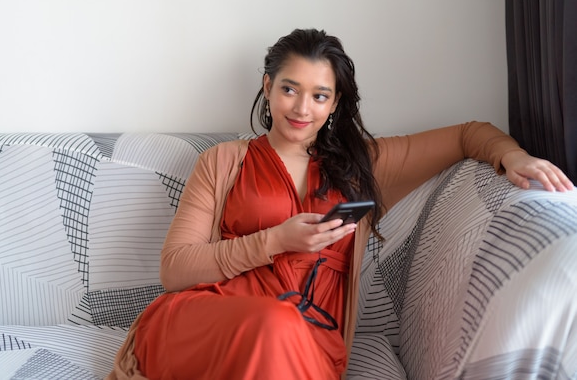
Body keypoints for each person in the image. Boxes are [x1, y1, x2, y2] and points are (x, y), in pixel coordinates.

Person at [108, 28, 574, 380]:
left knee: (280, 329)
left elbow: (468, 134)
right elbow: (175, 270)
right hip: (204, 321)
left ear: (334, 105)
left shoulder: (362, 165)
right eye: (290, 88)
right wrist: (274, 240)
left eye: (319, 95)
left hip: (309, 341)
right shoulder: (222, 161)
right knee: (271, 324)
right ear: (267, 86)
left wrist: (514, 157)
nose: (301, 108)